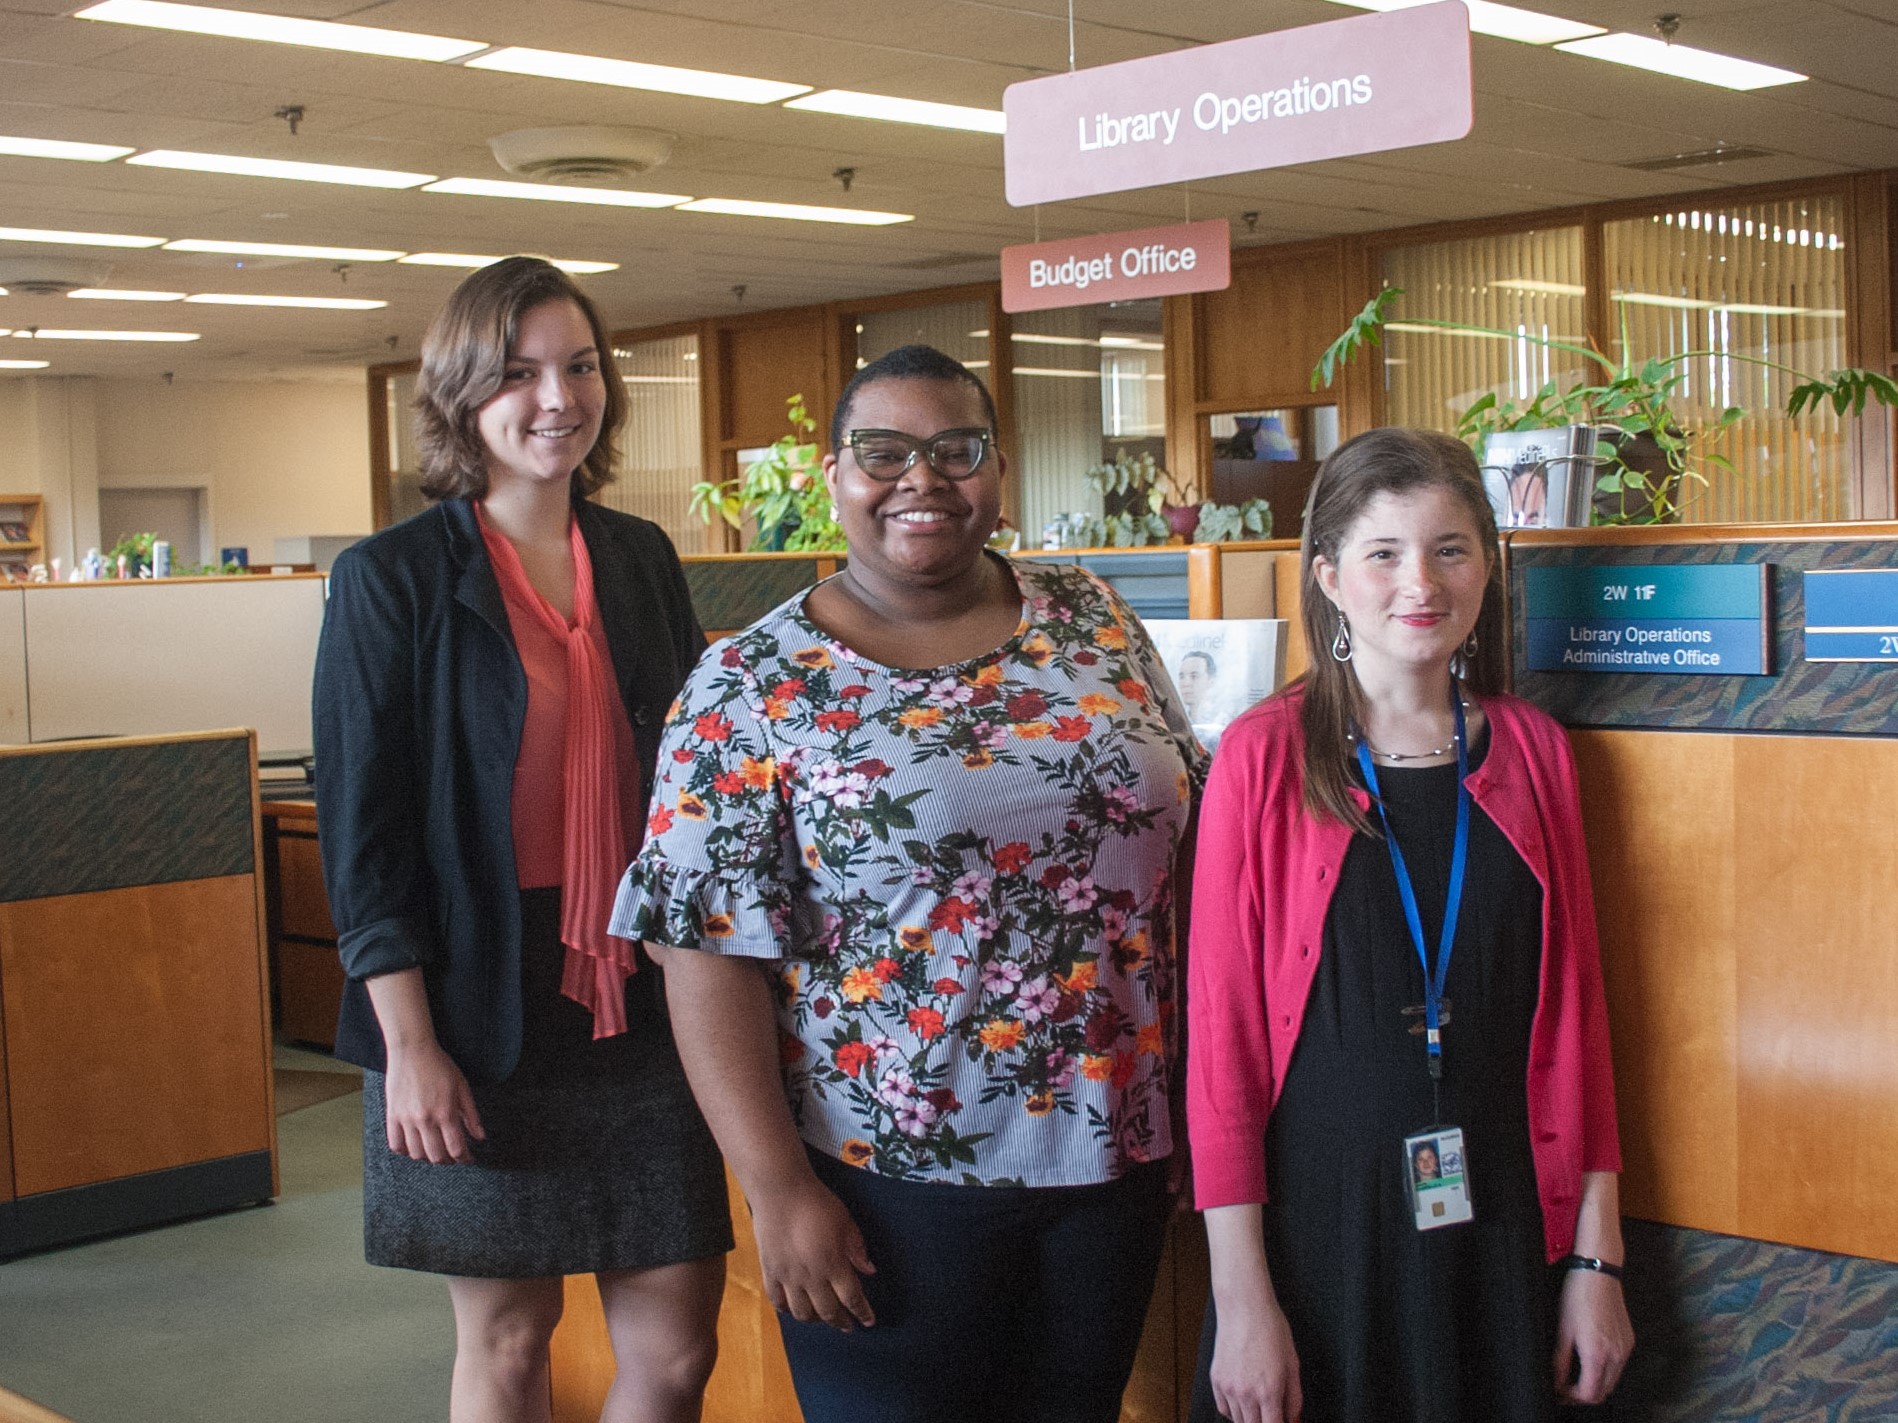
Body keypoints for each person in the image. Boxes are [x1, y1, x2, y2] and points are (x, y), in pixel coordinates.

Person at [611, 344, 1205, 1423]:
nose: (921, 479)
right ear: (833, 476)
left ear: (998, 470)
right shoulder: (751, 682)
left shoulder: (1089, 614)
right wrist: (777, 1187)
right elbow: (698, 949)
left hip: (1113, 1158)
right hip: (890, 1179)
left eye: (954, 450)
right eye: (883, 452)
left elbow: (1188, 842)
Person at [313, 256, 732, 1423]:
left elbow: (692, 782)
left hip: (640, 1000)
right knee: (507, 1339)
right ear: (461, 395)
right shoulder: (389, 580)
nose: (559, 397)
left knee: (678, 1342)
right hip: (470, 1013)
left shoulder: (639, 557)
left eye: (581, 366)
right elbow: (365, 834)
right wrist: (411, 1045)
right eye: (519, 373)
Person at [1186, 427, 1633, 1423]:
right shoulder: (1261, 758)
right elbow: (1222, 1053)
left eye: (1448, 548)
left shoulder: (1534, 751)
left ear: (1485, 565)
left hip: (1502, 1230)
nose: (1418, 581)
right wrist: (1239, 1298)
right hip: (1319, 1242)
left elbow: (1578, 1024)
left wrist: (1595, 1260)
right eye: (1382, 552)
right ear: (1329, 577)